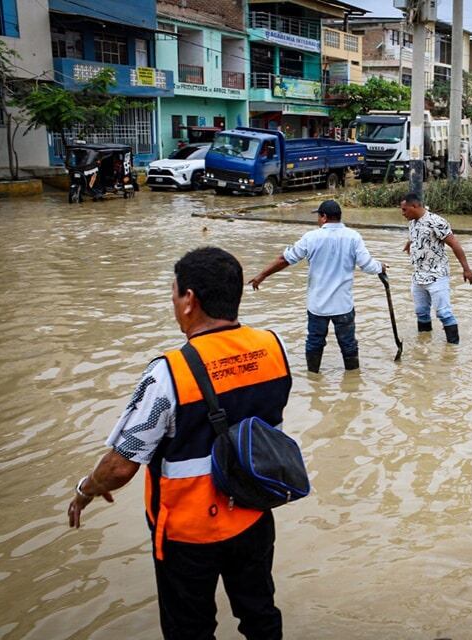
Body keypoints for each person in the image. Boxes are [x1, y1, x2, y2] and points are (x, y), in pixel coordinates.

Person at [67, 246, 292, 639]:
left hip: (189, 533)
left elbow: (121, 466)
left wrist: (86, 489)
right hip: (255, 513)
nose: (173, 303)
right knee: (260, 615)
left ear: (190, 300)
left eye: (174, 294)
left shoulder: (168, 373)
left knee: (190, 629)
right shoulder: (274, 348)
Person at [249, 199, 385, 373]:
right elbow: (367, 265)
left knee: (314, 342)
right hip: (343, 306)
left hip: (317, 305)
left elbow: (285, 259)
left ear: (324, 217)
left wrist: (262, 275)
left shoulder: (311, 237)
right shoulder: (353, 237)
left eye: (318, 216)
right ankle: (353, 383)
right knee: (348, 344)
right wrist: (380, 266)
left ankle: (313, 378)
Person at [399, 192, 472, 345]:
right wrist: (409, 244)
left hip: (436, 275)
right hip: (418, 275)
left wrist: (467, 269)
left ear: (415, 206)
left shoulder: (436, 222)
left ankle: (453, 350)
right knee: (421, 312)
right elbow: (416, 235)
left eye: (405, 210)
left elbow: (454, 244)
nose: (403, 213)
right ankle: (424, 345)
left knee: (444, 313)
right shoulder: (413, 222)